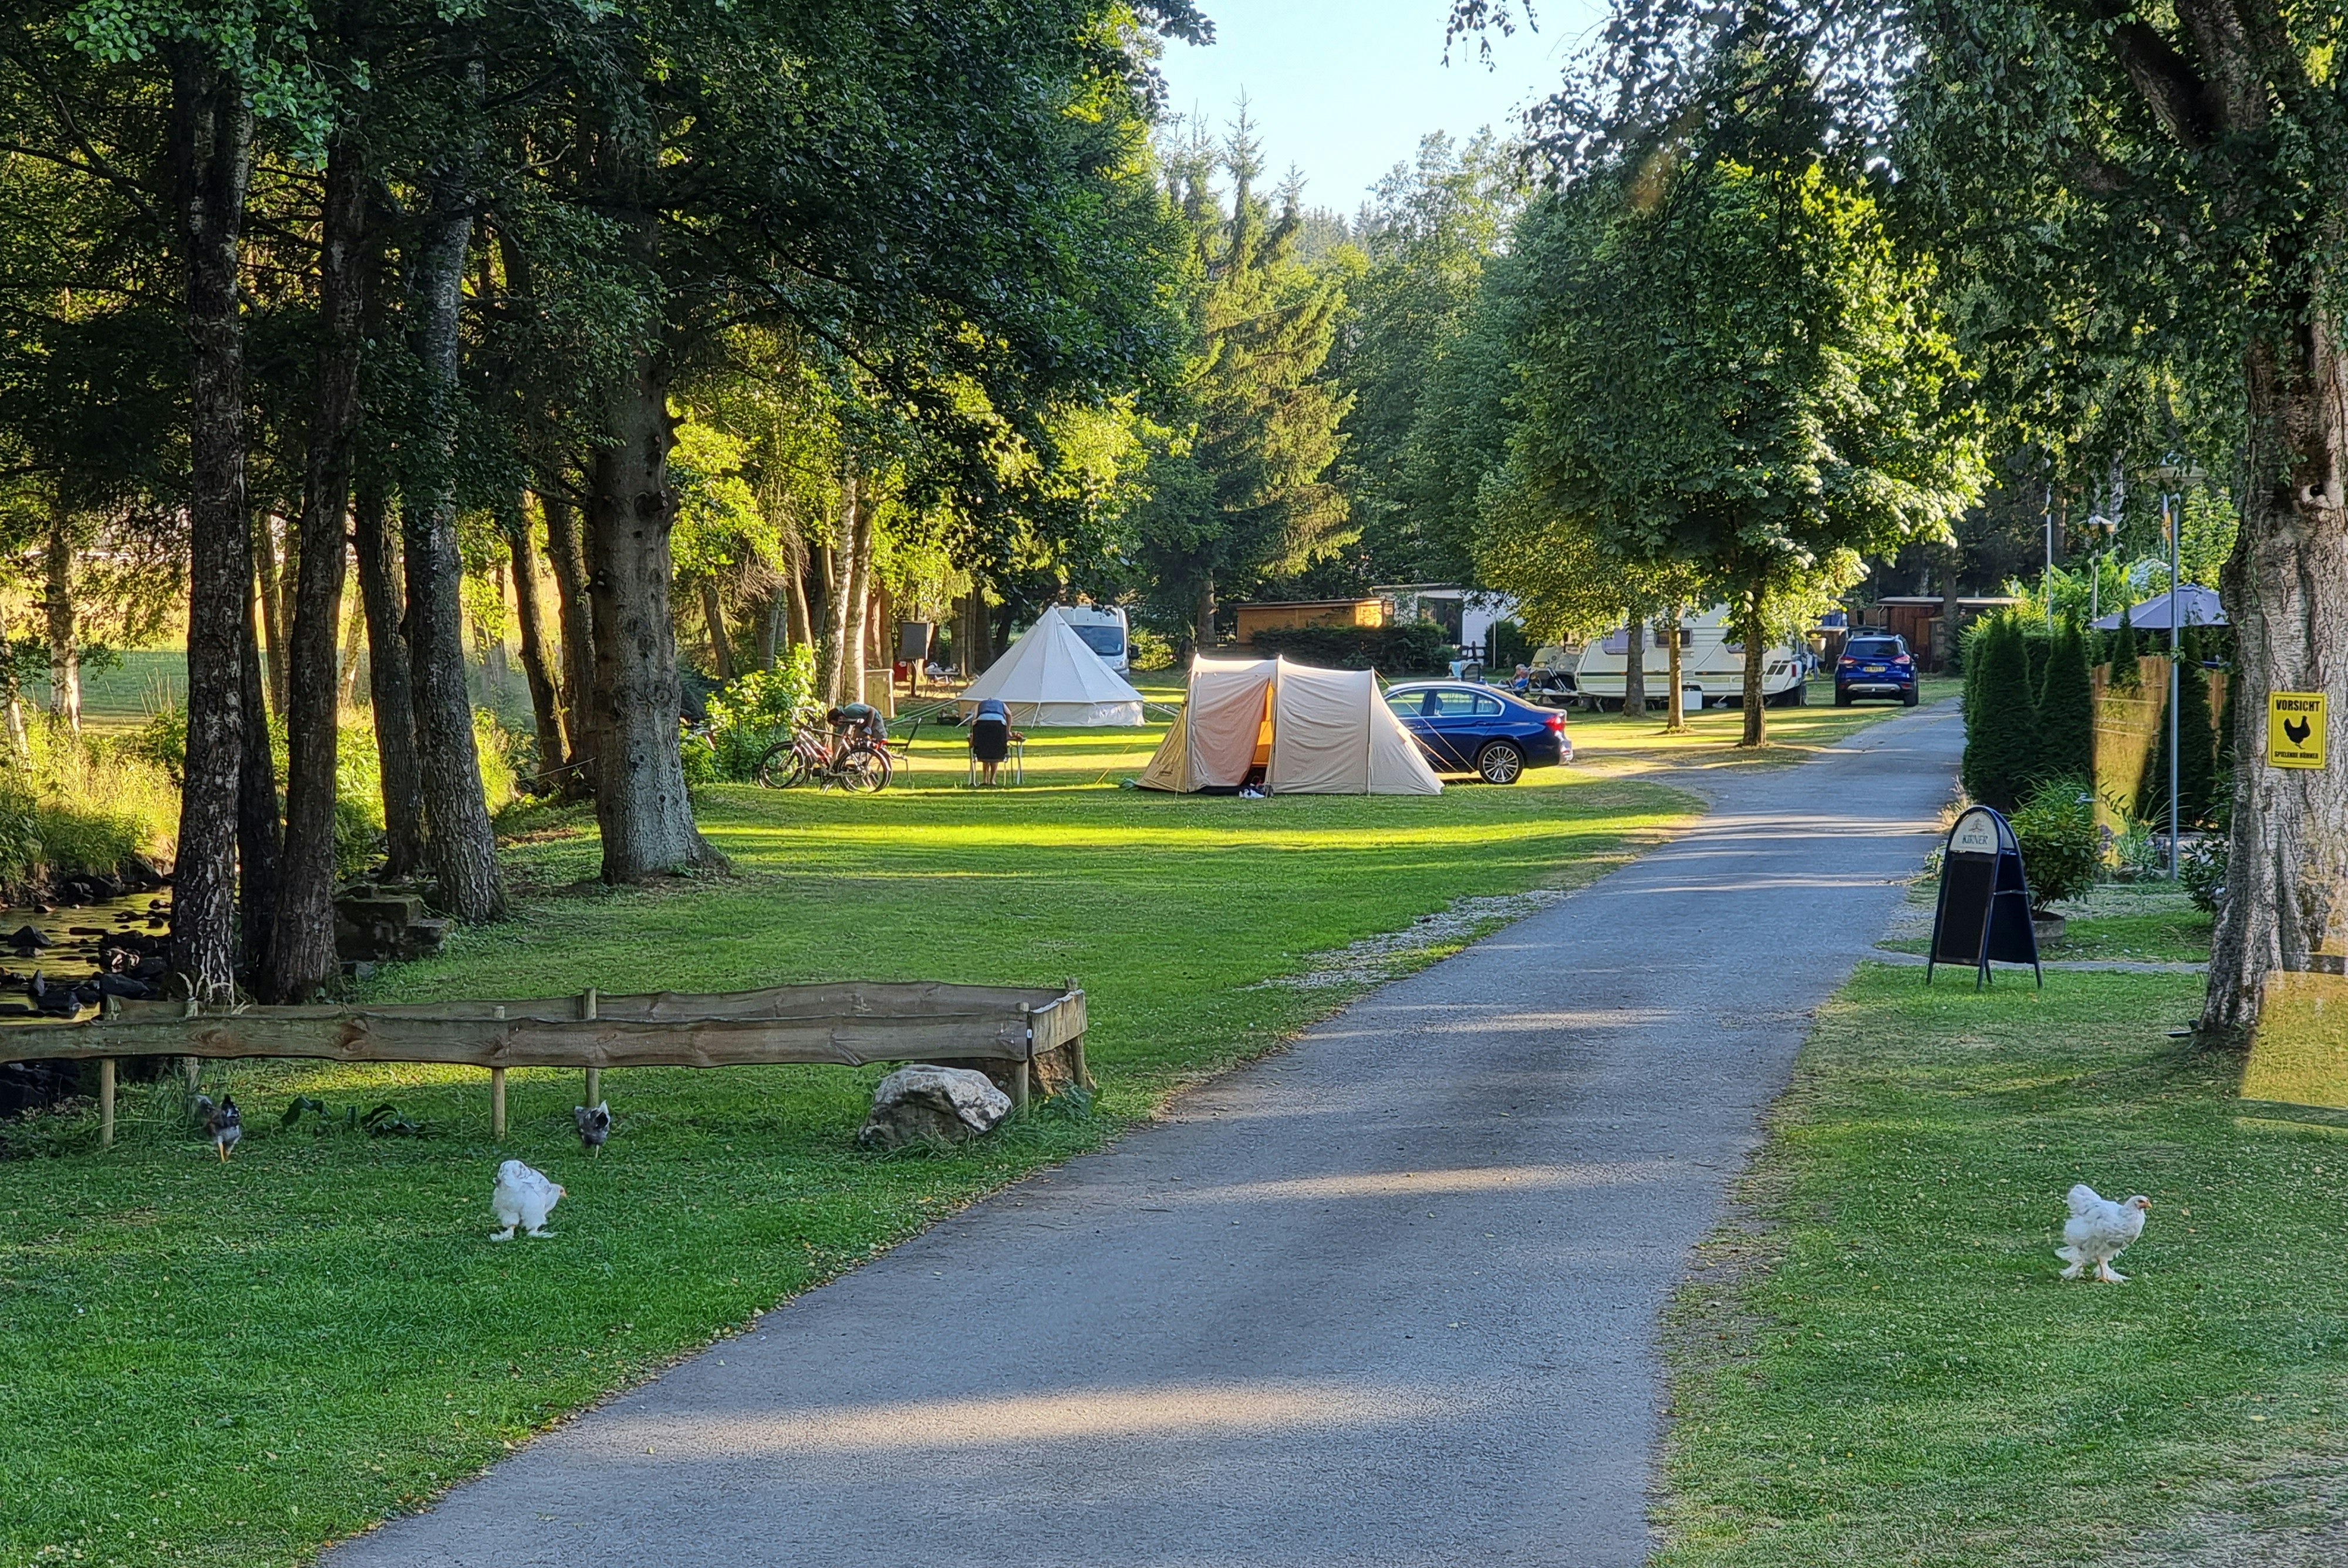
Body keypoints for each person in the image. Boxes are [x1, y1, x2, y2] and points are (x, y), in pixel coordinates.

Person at [969, 697, 1014, 785]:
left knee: (984, 749)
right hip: (999, 725)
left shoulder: (979, 704)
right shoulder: (1001, 704)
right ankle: (992, 780)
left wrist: (973, 735)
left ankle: (985, 779)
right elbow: (1009, 714)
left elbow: (974, 718)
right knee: (996, 750)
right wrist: (1008, 731)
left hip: (982, 724)